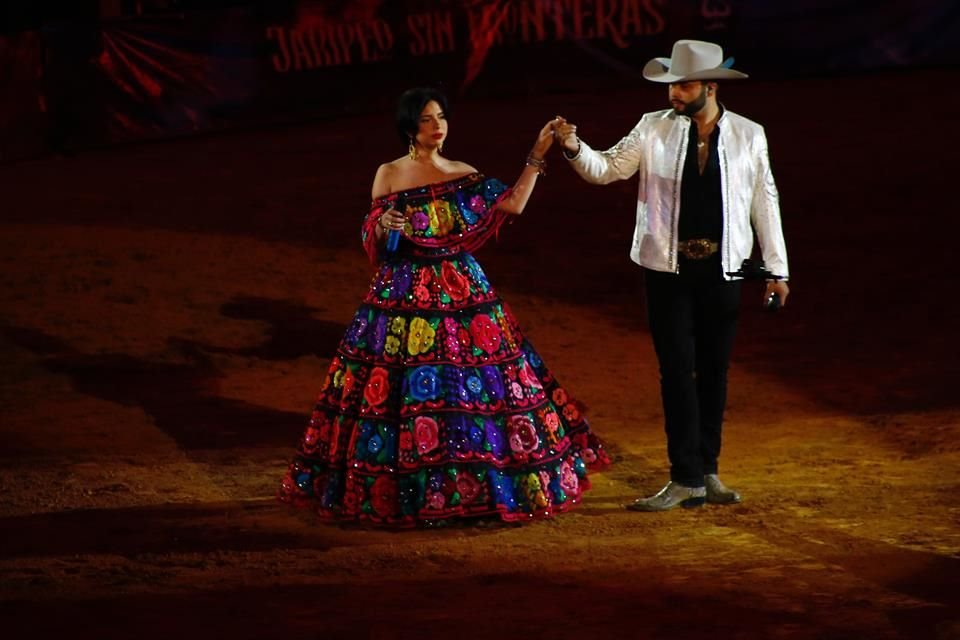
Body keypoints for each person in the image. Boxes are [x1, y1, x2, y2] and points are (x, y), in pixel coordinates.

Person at [278, 87, 609, 526]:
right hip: (402, 294)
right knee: (403, 396)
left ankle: (478, 490)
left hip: (461, 292)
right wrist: (383, 225)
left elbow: (513, 203)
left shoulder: (461, 172)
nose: (438, 127)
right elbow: (373, 230)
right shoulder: (389, 174)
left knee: (474, 393)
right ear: (409, 127)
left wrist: (537, 153)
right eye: (427, 120)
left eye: (441, 118)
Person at [552, 40, 790, 511]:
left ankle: (708, 471)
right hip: (667, 269)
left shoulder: (749, 135)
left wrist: (777, 269)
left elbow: (765, 199)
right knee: (677, 372)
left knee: (715, 374)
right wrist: (574, 147)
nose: (673, 95)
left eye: (682, 85)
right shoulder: (653, 128)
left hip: (726, 270)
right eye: (671, 86)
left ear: (709, 86)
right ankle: (685, 476)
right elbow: (607, 169)